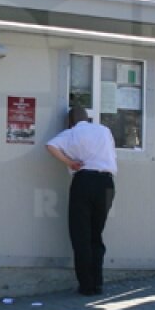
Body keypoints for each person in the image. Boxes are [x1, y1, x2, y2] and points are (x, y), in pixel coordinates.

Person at [46, 105, 117, 296]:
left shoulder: (72, 133)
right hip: (107, 183)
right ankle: (98, 283)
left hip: (84, 181)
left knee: (81, 235)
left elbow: (50, 146)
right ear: (88, 117)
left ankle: (87, 286)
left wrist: (70, 162)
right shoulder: (104, 130)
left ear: (71, 121)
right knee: (96, 234)